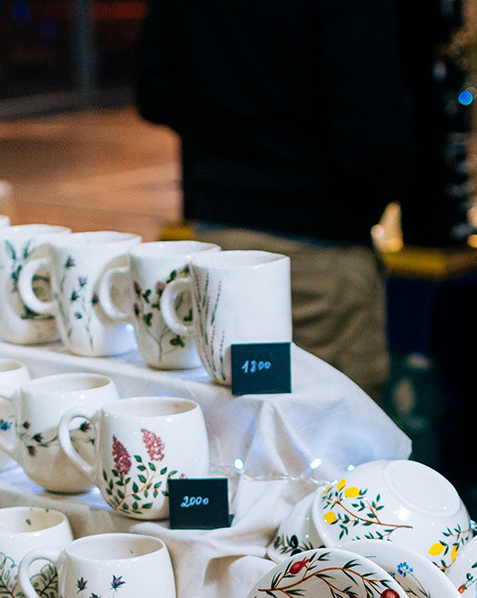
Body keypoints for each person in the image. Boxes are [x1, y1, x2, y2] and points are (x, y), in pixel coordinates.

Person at [135, 0, 414, 397]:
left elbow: (154, 89)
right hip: (319, 252)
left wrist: (227, 139)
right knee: (334, 437)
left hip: (219, 239)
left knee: (242, 427)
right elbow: (373, 131)